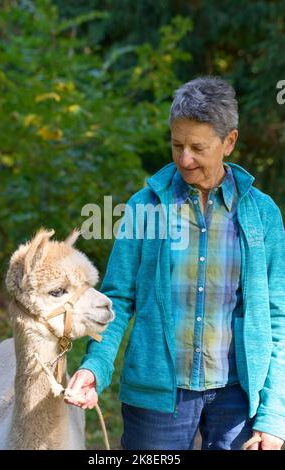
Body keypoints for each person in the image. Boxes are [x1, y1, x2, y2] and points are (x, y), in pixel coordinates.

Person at [64, 76, 285, 450]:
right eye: (176, 144)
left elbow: (278, 317)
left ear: (229, 142)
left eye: (198, 147)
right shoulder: (144, 207)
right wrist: (95, 368)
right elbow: (117, 299)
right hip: (156, 401)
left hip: (238, 402)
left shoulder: (262, 215)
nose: (185, 159)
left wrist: (274, 416)